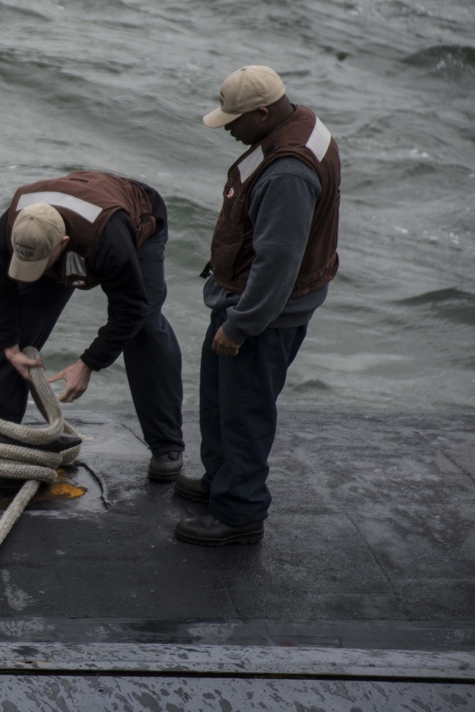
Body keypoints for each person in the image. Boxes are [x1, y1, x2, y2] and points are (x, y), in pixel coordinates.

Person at [174, 65, 341, 546]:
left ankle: (240, 510)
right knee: (219, 399)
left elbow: (279, 261)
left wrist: (242, 325)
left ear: (264, 113)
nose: (227, 127)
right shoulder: (304, 124)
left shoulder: (288, 173)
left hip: (262, 314)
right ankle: (219, 480)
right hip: (245, 302)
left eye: (234, 120)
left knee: (244, 411)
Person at [0, 170, 185, 479]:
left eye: (40, 264)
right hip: (66, 230)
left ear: (63, 244)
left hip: (135, 222)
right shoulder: (11, 225)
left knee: (146, 328)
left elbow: (131, 309)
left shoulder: (110, 240)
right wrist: (9, 344)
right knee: (14, 329)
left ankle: (167, 444)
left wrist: (88, 363)